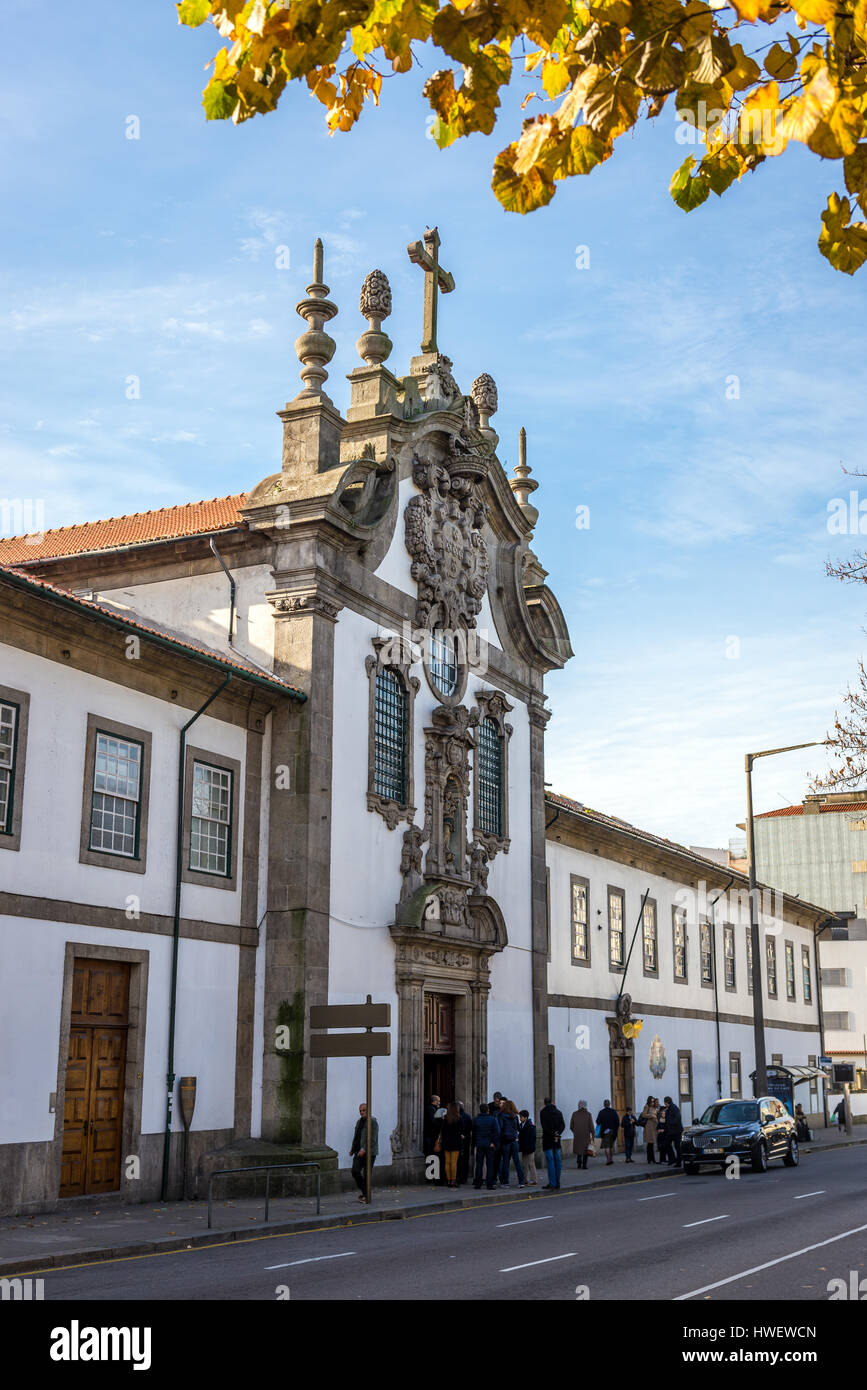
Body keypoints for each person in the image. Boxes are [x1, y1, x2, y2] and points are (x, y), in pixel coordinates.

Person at [349, 1101, 379, 1202]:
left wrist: (364, 1149)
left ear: (368, 1110)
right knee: (355, 1171)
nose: (362, 1112)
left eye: (364, 1110)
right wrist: (352, 1149)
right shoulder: (359, 1122)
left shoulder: (373, 1121)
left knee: (367, 1174)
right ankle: (365, 1192)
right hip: (358, 1152)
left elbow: (373, 1138)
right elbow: (356, 1136)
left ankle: (366, 1195)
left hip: (370, 1152)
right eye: (360, 1111)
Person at [498, 1099, 525, 1187]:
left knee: (506, 1162)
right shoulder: (515, 1116)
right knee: (517, 1161)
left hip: (505, 1141)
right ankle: (521, 1182)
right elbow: (518, 1128)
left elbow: (500, 1128)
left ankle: (506, 1182)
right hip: (514, 1141)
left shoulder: (501, 1115)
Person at [540, 1097, 566, 1189]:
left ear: (544, 1103)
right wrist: (557, 1133)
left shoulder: (543, 1112)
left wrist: (552, 1134)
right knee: (558, 1161)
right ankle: (557, 1182)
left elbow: (544, 1126)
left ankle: (552, 1183)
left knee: (550, 1161)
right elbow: (563, 1125)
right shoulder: (559, 1112)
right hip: (556, 1139)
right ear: (552, 1102)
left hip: (548, 1139)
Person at [472, 1103, 500, 1189]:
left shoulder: (476, 1119)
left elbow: (474, 1133)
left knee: (479, 1164)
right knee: (490, 1165)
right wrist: (493, 1142)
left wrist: (474, 1144)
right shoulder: (493, 1119)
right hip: (489, 1144)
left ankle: (478, 1184)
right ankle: (490, 1184)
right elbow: (497, 1132)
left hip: (479, 1144)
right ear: (488, 1110)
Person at [439, 1102, 464, 1188]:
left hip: (447, 1142)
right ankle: (453, 1180)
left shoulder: (445, 1118)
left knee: (447, 1162)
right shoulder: (459, 1118)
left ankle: (448, 1180)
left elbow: (443, 1130)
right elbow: (461, 1130)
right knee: (454, 1163)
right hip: (456, 1142)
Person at [569, 1100, 595, 1170]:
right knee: (585, 1150)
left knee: (579, 1148)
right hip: (586, 1135)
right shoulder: (588, 1114)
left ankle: (579, 1161)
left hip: (577, 1135)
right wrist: (593, 1135)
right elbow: (591, 1127)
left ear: (579, 1105)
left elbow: (571, 1126)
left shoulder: (574, 1114)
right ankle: (584, 1165)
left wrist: (575, 1131)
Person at [595, 1098, 620, 1166]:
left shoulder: (601, 1112)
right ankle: (611, 1159)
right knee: (611, 1146)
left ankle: (608, 1159)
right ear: (609, 1104)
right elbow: (617, 1122)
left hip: (605, 1132)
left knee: (606, 1146)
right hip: (612, 1131)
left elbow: (598, 1122)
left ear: (604, 1105)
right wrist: (615, 1130)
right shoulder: (614, 1111)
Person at [518, 1110, 538, 1184]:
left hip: (530, 1148)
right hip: (524, 1148)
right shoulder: (521, 1125)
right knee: (524, 1164)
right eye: (520, 1117)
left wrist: (531, 1147)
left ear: (526, 1117)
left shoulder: (530, 1125)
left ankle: (534, 1180)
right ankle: (525, 1179)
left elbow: (533, 1138)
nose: (520, 1118)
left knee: (531, 1164)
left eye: (521, 1117)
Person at [662, 1095, 682, 1166]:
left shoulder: (674, 1108)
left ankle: (678, 1162)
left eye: (665, 1103)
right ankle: (672, 1159)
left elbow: (678, 1118)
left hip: (676, 1131)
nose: (665, 1104)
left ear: (667, 1102)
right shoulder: (669, 1108)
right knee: (667, 1144)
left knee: (677, 1147)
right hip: (670, 1131)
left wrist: (671, 1123)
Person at [457, 1101, 473, 1185]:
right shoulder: (467, 1116)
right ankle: (464, 1178)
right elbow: (471, 1128)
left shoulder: (455, 1116)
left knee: (457, 1160)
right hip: (466, 1140)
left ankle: (457, 1177)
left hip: (457, 1141)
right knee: (465, 1159)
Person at [638, 1096, 658, 1163]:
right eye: (651, 1101)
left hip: (654, 1126)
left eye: (653, 1101)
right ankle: (649, 1159)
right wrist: (651, 1116)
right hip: (648, 1127)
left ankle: (652, 1159)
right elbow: (644, 1115)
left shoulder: (654, 1107)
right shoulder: (646, 1106)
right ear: (649, 1101)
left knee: (652, 1144)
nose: (652, 1102)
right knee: (649, 1143)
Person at [655, 1098, 668, 1165]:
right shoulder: (660, 1120)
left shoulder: (666, 1120)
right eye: (662, 1113)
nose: (663, 1114)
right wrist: (659, 1130)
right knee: (660, 1148)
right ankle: (661, 1160)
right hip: (660, 1136)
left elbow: (667, 1128)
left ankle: (665, 1159)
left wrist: (664, 1130)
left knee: (664, 1148)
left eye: (664, 1114)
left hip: (665, 1135)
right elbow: (657, 1127)